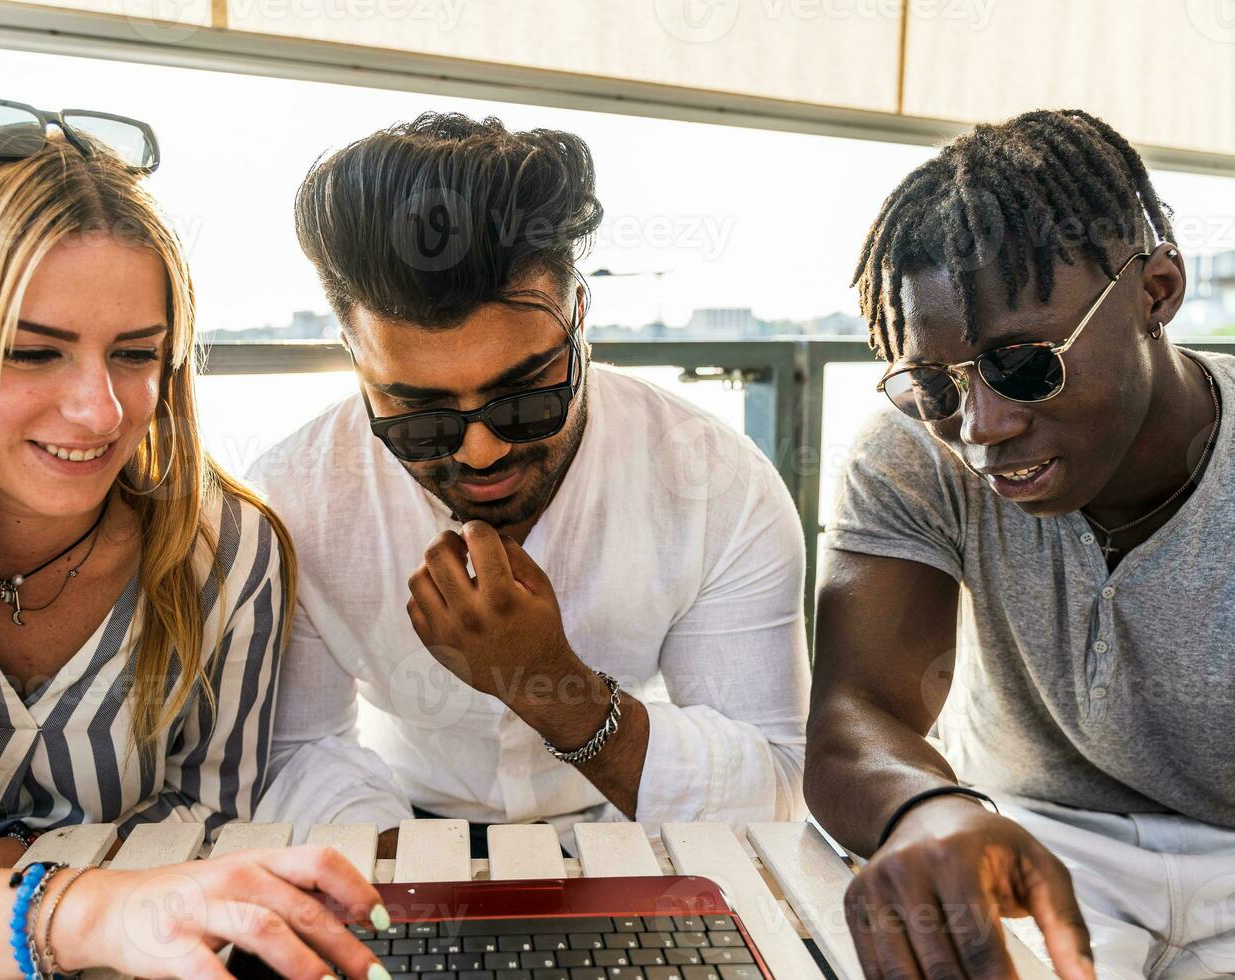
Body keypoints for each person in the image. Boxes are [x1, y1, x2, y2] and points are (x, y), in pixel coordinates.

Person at [0, 99, 390, 980]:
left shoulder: (230, 550)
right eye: (32, 353)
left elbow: (211, 836)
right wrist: (80, 904)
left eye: (136, 354)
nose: (101, 412)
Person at [250, 112, 810, 857]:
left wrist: (551, 686)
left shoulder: (715, 484)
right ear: (355, 361)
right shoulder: (292, 499)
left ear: (582, 320)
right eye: (419, 415)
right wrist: (416, 892)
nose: (480, 452)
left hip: (630, 831)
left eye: (526, 396)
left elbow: (773, 789)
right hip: (389, 828)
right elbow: (296, 756)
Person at [807, 108, 1235, 979]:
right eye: (933, 383)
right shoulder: (912, 449)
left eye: (1026, 363)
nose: (979, 427)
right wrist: (930, 813)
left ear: (1156, 292)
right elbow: (857, 714)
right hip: (1020, 830)